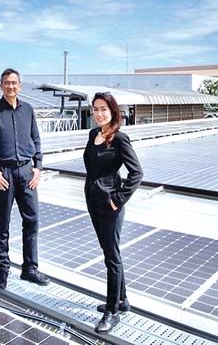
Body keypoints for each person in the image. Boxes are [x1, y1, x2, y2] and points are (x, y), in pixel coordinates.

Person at [0, 68, 50, 290]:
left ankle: (30, 269)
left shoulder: (28, 110)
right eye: (7, 83)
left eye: (14, 83)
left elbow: (36, 140)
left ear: (20, 86)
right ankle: (2, 269)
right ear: (1, 86)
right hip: (3, 174)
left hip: (27, 173)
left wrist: (38, 168)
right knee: (3, 222)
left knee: (32, 221)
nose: (11, 86)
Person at [84, 91, 143, 334]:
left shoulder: (120, 138)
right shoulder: (93, 134)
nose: (98, 114)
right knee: (110, 252)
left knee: (111, 258)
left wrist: (118, 199)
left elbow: (137, 173)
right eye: (95, 109)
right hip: (93, 202)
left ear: (113, 111)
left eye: (103, 109)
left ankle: (112, 311)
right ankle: (122, 299)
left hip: (111, 206)